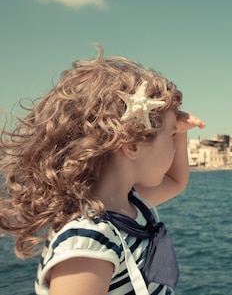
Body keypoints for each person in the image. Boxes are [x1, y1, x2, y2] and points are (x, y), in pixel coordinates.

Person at [0, 46, 205, 295]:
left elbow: (175, 181)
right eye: (170, 137)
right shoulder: (88, 241)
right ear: (132, 145)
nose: (173, 149)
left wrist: (178, 130)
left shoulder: (129, 204)